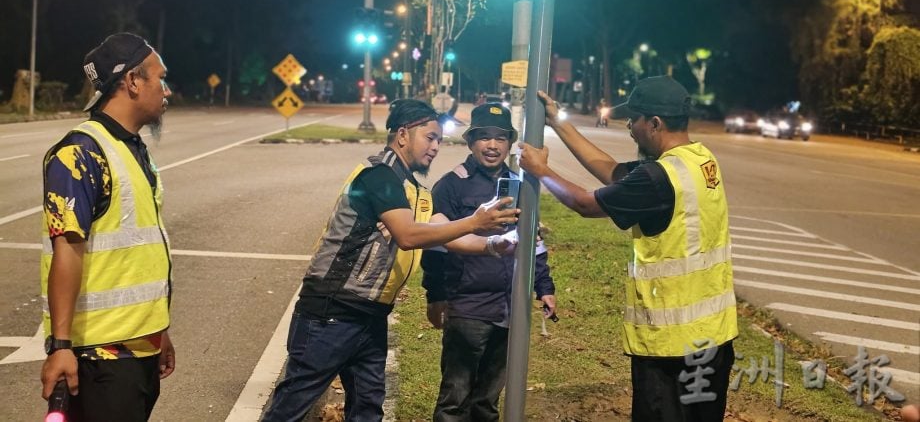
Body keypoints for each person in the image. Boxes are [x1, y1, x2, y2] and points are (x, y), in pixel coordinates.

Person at [262, 99, 520, 422]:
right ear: (402, 135)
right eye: (430, 137)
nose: (436, 147)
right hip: (332, 313)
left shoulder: (411, 187)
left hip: (370, 316)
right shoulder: (379, 176)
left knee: (369, 410)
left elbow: (441, 232)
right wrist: (473, 222)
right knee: (289, 410)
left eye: (440, 139)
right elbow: (409, 235)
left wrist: (493, 245)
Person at [520, 76, 737, 422]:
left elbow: (587, 205)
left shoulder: (658, 178)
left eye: (632, 120)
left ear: (654, 123)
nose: (628, 129)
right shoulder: (698, 160)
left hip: (670, 348)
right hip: (713, 339)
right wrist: (559, 122)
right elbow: (614, 172)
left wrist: (540, 171)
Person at [40, 33, 176, 421]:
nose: (167, 91)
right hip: (100, 358)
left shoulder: (132, 148)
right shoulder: (80, 154)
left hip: (137, 351)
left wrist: (157, 332)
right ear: (132, 81)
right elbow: (67, 250)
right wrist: (60, 346)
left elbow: (139, 255)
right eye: (159, 79)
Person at [422, 103, 556, 422]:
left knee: (488, 402)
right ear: (471, 142)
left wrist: (544, 286)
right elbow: (436, 245)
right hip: (468, 307)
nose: (492, 145)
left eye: (500, 138)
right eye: (483, 137)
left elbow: (532, 241)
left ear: (509, 143)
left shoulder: (523, 187)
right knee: (455, 397)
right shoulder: (451, 186)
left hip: (510, 308)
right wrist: (435, 296)